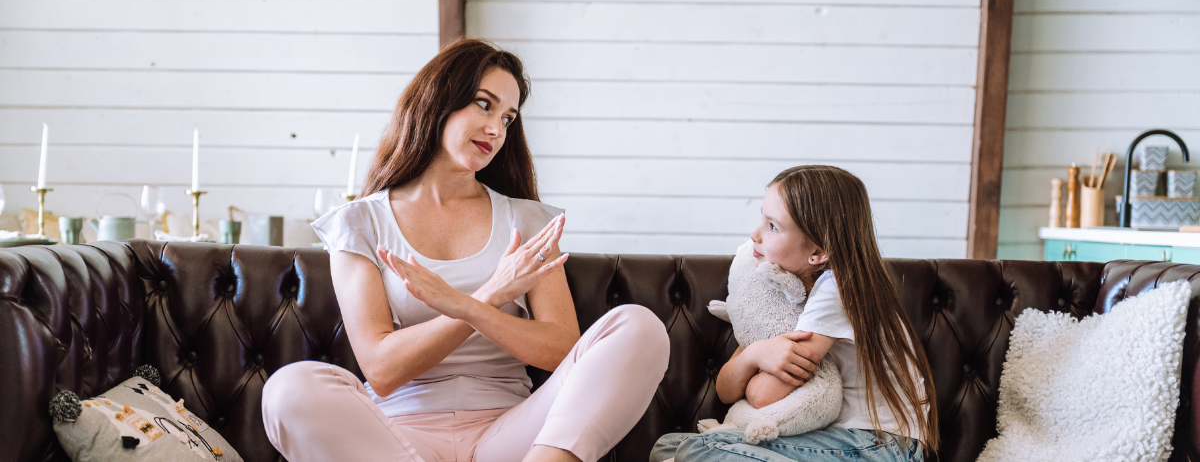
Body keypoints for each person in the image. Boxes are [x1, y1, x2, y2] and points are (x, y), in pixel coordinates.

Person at [261, 39, 670, 462]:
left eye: (508, 118)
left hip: (511, 436)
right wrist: (488, 295)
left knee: (638, 327)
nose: (497, 130)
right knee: (289, 389)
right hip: (399, 441)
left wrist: (466, 305)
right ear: (438, 101)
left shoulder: (527, 220)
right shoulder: (360, 223)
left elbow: (560, 350)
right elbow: (381, 370)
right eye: (484, 105)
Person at [651, 165, 938, 462]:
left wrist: (756, 365)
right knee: (669, 446)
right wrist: (755, 354)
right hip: (836, 440)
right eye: (762, 219)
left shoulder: (837, 289)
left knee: (698, 449)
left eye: (773, 226)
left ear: (817, 252)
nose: (755, 234)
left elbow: (763, 395)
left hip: (881, 445)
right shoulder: (782, 287)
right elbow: (725, 390)